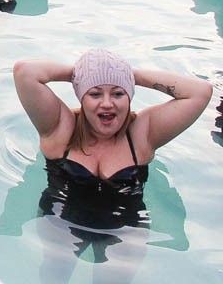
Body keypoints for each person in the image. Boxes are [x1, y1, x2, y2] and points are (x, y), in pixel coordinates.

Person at [12, 50, 212, 233]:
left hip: (126, 227)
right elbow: (24, 72)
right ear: (82, 98)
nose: (107, 103)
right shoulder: (60, 129)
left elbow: (200, 92)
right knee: (56, 263)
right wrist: (79, 75)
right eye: (94, 93)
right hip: (60, 219)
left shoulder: (142, 134)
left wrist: (130, 75)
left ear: (129, 97)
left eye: (118, 93)